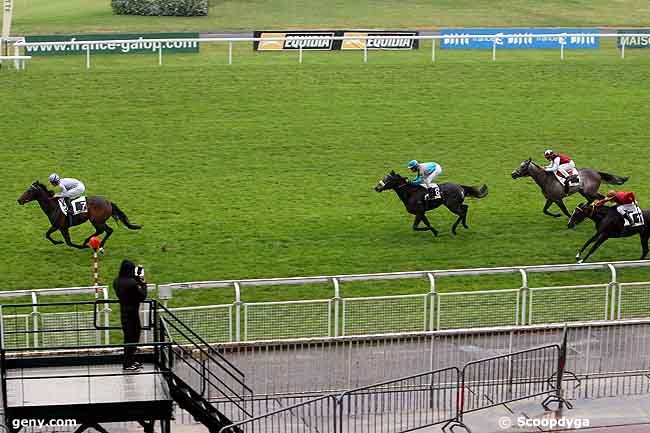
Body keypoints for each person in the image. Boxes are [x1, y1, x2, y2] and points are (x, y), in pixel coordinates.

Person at [113, 259, 147, 371]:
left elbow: (128, 288)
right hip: (133, 314)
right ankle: (128, 363)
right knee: (133, 338)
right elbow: (142, 296)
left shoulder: (117, 281)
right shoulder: (132, 283)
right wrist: (143, 283)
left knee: (128, 338)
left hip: (124, 312)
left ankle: (130, 360)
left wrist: (136, 280)